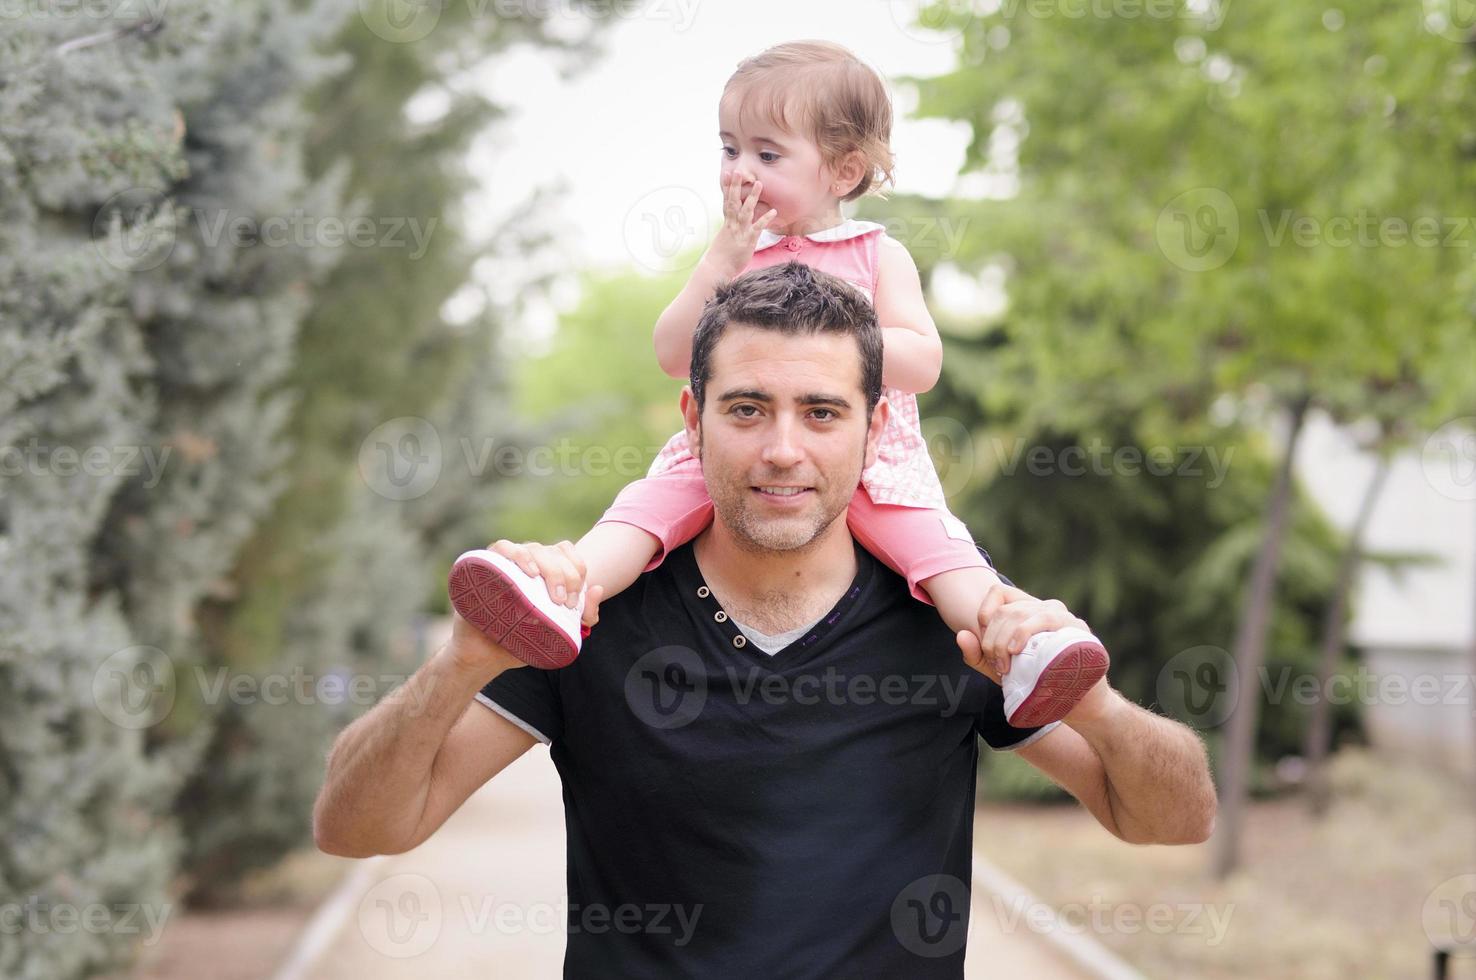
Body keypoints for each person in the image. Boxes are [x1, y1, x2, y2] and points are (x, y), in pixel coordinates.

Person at [313, 261, 1219, 978]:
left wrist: (1093, 703)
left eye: (821, 413)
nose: (782, 449)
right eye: (747, 409)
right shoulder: (585, 618)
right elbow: (359, 828)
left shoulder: (952, 626)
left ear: (875, 430)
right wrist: (460, 664)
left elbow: (1168, 819)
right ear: (692, 418)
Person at [448, 39, 1106, 728]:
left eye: (766, 154)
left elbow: (923, 359)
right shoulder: (737, 254)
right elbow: (674, 353)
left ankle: (1022, 643)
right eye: (728, 149)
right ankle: (562, 590)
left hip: (869, 461)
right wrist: (721, 260)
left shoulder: (876, 253)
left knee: (941, 558)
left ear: (844, 168)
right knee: (646, 508)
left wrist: (829, 346)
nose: (740, 170)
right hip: (742, 451)